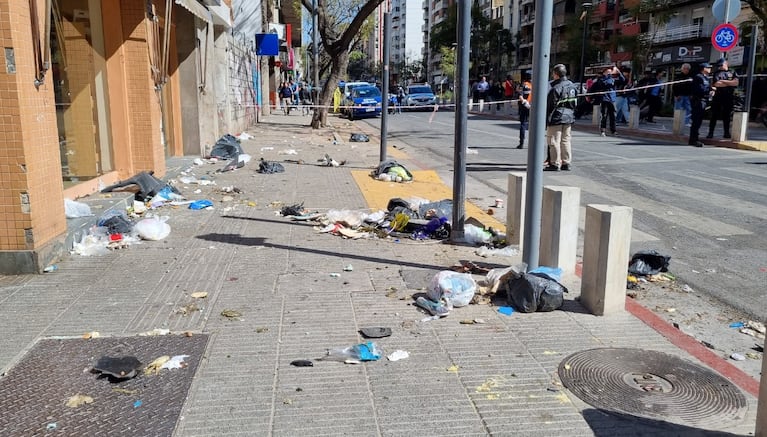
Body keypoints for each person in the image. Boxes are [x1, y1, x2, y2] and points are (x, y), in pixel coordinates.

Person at [544, 64, 578, 171]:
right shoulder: (572, 86)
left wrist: (546, 120)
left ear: (556, 74)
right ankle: (566, 162)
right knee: (566, 140)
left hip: (557, 117)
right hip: (569, 116)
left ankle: (555, 163)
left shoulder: (556, 88)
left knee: (554, 141)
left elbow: (550, 106)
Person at [707, 58, 739, 139]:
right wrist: (729, 83)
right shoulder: (717, 73)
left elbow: (736, 83)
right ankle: (710, 133)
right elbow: (717, 84)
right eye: (719, 66)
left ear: (726, 64)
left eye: (721, 65)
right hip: (718, 96)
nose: (720, 67)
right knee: (714, 115)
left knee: (727, 116)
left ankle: (726, 133)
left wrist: (724, 82)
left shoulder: (732, 72)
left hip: (728, 96)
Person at [592, 65, 625, 136]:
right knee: (604, 115)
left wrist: (618, 71)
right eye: (608, 72)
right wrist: (608, 76)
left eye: (610, 72)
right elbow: (604, 84)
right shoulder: (601, 79)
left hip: (612, 99)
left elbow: (623, 80)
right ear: (604, 73)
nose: (610, 73)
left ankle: (613, 130)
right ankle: (603, 130)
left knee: (613, 115)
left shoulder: (613, 79)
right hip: (605, 99)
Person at [689, 62, 712, 147]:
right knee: (696, 121)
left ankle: (695, 138)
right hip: (698, 101)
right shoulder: (698, 77)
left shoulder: (706, 78)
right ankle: (693, 140)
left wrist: (710, 91)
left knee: (699, 121)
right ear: (704, 69)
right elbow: (699, 90)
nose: (710, 69)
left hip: (703, 101)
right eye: (708, 67)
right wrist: (709, 90)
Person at [673, 63, 693, 127]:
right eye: (684, 69)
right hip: (679, 96)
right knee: (678, 109)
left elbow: (691, 87)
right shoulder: (678, 77)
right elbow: (674, 86)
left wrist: (691, 94)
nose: (686, 70)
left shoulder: (690, 77)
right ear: (682, 69)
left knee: (688, 109)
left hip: (687, 96)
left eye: (687, 69)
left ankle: (686, 122)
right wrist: (676, 95)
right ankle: (677, 122)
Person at [517, 71, 532, 149]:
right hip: (533, 107)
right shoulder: (535, 84)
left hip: (524, 106)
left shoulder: (523, 85)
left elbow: (520, 95)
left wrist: (524, 102)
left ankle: (521, 143)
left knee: (523, 124)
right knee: (534, 126)